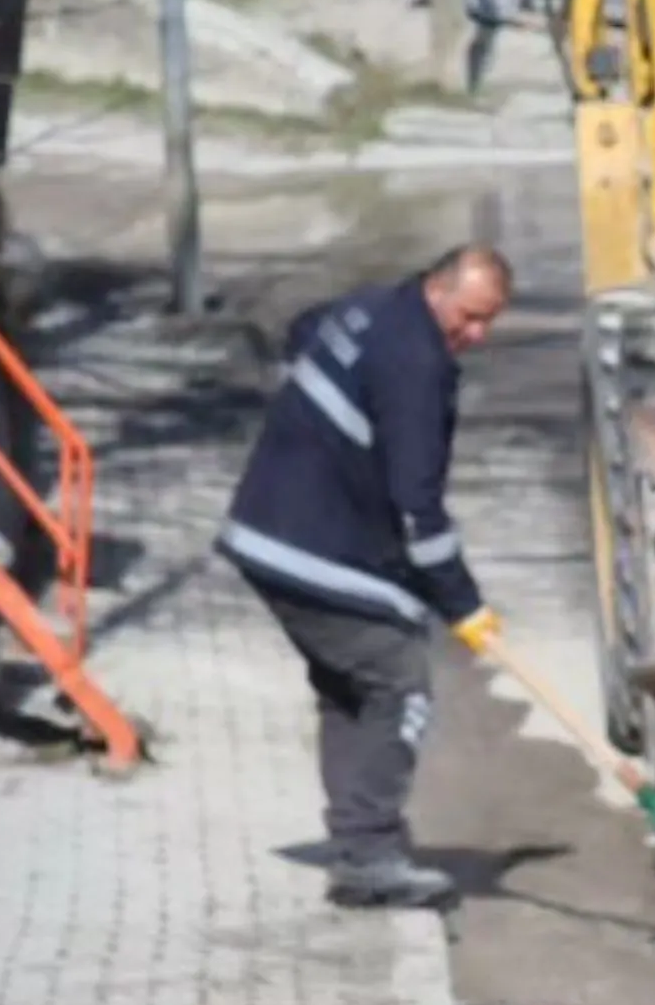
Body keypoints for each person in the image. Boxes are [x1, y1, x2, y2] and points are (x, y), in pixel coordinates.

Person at [219, 246, 514, 909]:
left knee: (350, 687)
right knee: (400, 680)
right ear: (438, 290)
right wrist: (462, 605)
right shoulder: (417, 364)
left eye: (489, 323)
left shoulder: (368, 307)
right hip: (307, 546)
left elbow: (300, 332)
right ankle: (370, 855)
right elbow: (418, 504)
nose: (477, 337)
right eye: (469, 318)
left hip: (267, 531)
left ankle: (359, 843)